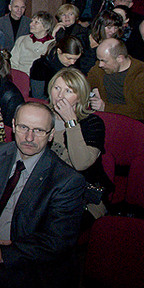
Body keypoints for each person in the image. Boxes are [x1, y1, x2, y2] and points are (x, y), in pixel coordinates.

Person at [0, 102, 85, 288]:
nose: (29, 137)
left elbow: (54, 242)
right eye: (24, 128)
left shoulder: (67, 181)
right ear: (13, 126)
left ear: (51, 135)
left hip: (23, 264)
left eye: (39, 131)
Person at [46, 68, 110, 222]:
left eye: (68, 91)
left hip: (83, 194)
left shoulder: (92, 123)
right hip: (47, 189)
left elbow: (81, 164)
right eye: (57, 88)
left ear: (80, 97)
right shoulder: (43, 116)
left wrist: (70, 122)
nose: (60, 95)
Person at [88, 39, 144, 138]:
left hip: (142, 121)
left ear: (120, 58)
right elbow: (88, 81)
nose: (100, 64)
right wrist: (94, 89)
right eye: (99, 60)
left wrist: (105, 107)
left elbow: (141, 111)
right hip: (110, 118)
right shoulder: (100, 68)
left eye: (104, 61)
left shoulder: (143, 73)